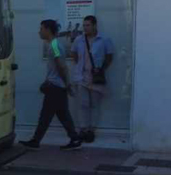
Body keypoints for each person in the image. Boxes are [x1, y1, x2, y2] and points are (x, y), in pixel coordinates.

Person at [22, 19, 84, 151]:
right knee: (62, 115)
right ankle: (74, 138)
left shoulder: (55, 45)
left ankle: (36, 141)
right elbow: (58, 67)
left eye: (41, 29)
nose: (39, 32)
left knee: (46, 115)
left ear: (48, 30)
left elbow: (62, 66)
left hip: (55, 87)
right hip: (56, 86)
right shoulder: (54, 44)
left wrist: (67, 84)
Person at [69, 15, 114, 143]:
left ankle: (91, 130)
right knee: (83, 104)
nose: (85, 28)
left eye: (88, 25)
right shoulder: (79, 39)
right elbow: (74, 54)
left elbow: (109, 56)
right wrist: (80, 67)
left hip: (95, 77)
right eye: (84, 25)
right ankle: (83, 129)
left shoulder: (104, 39)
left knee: (94, 104)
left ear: (95, 25)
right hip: (82, 77)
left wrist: (101, 69)